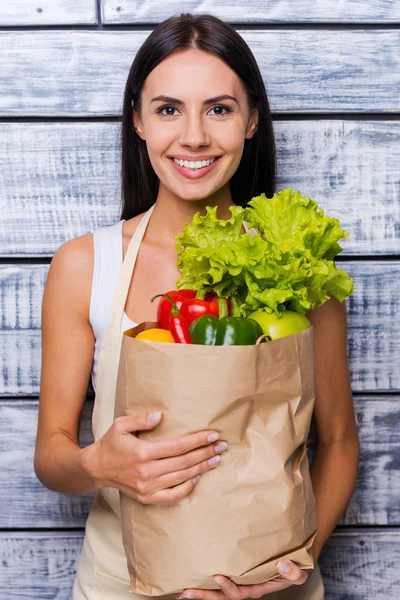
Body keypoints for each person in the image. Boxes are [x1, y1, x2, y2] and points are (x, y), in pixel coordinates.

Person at [34, 13, 360, 600]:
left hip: (269, 586)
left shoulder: (297, 265)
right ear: (137, 121)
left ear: (252, 118)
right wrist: (98, 464)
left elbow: (337, 442)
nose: (194, 137)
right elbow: (52, 453)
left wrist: (296, 561)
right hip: (119, 582)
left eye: (218, 108)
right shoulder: (86, 264)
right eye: (167, 110)